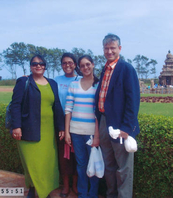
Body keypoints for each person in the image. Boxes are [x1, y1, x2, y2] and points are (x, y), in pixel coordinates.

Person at [10, 55, 65, 198]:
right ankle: (34, 191)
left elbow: (57, 106)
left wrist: (61, 127)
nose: (38, 66)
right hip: (28, 131)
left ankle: (44, 191)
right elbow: (15, 105)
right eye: (35, 63)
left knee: (47, 163)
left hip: (48, 132)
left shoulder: (52, 83)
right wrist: (16, 126)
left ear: (45, 66)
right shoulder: (24, 82)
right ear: (30, 66)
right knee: (33, 164)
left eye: (41, 63)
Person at [95, 33, 140, 198]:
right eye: (106, 48)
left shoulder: (126, 69)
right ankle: (111, 194)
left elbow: (133, 101)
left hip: (120, 125)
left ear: (119, 49)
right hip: (104, 122)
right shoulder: (105, 69)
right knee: (109, 165)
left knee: (123, 167)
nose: (109, 51)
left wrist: (127, 128)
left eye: (112, 48)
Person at [65, 55, 100, 198]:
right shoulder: (74, 85)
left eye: (88, 64)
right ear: (79, 68)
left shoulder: (99, 85)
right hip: (76, 131)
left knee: (94, 163)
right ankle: (82, 193)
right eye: (82, 65)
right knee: (81, 164)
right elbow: (68, 109)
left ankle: (93, 194)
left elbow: (99, 112)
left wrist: (97, 135)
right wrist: (67, 132)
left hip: (92, 132)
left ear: (93, 65)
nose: (85, 68)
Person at [54, 53, 80, 197]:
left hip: (77, 121)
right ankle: (65, 185)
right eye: (64, 63)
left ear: (75, 64)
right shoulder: (56, 80)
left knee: (76, 155)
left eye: (70, 62)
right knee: (63, 156)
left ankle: (75, 185)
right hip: (60, 121)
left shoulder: (81, 80)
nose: (67, 65)